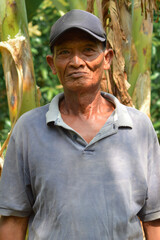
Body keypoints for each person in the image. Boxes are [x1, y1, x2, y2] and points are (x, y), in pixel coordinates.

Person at [0, 9, 160, 240]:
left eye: (88, 50)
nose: (77, 62)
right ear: (52, 64)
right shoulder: (28, 129)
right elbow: (14, 219)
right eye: (65, 53)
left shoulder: (138, 128)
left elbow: (154, 218)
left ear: (106, 59)